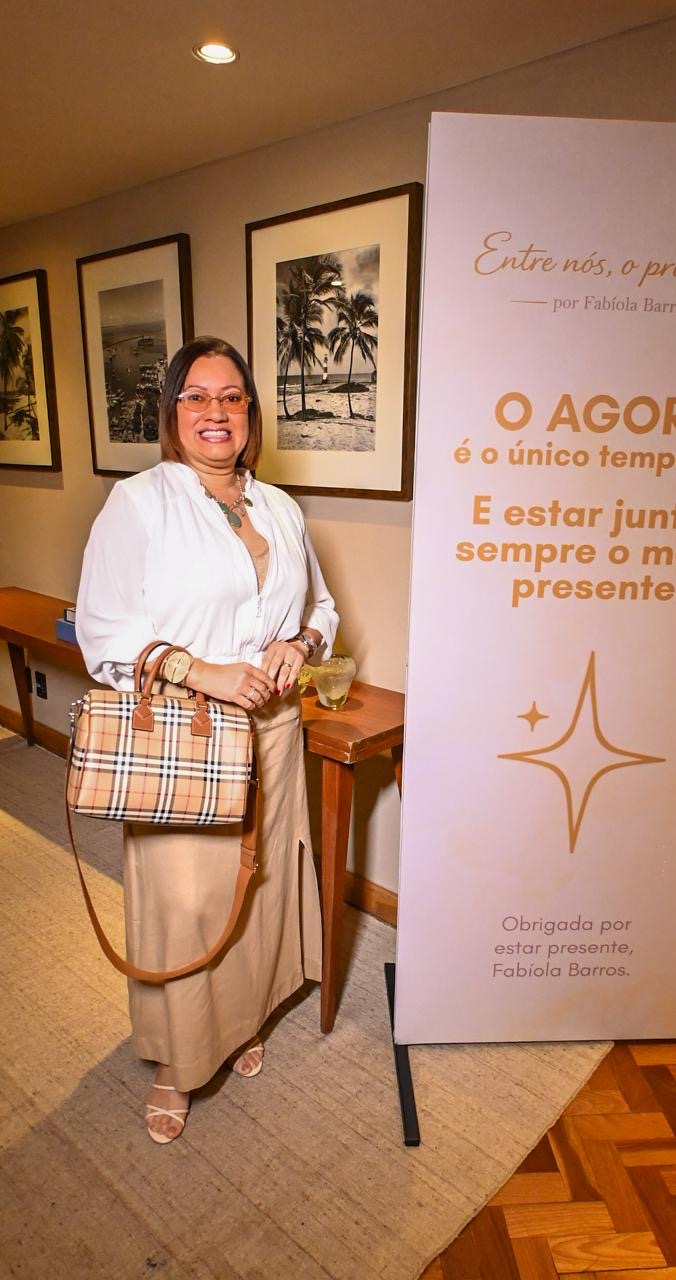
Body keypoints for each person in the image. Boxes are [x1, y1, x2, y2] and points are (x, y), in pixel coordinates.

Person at [76, 335, 338, 1144]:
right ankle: (178, 1058)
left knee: (257, 888)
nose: (215, 412)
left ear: (250, 413)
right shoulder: (139, 504)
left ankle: (240, 1017)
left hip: (276, 729)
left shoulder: (280, 507)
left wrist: (300, 643)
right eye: (197, 396)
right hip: (188, 733)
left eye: (231, 397)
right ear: (173, 412)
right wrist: (204, 671)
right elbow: (103, 635)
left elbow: (322, 608)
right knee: (186, 900)